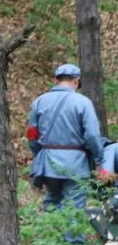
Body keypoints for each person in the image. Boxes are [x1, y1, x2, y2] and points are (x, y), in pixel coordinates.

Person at [27, 63, 104, 210]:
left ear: (56, 80)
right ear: (76, 81)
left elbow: (32, 134)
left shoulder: (39, 102)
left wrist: (39, 154)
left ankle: (51, 233)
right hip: (76, 164)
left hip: (48, 163)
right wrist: (99, 160)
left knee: (52, 204)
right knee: (75, 209)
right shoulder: (83, 102)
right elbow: (93, 135)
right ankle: (71, 234)